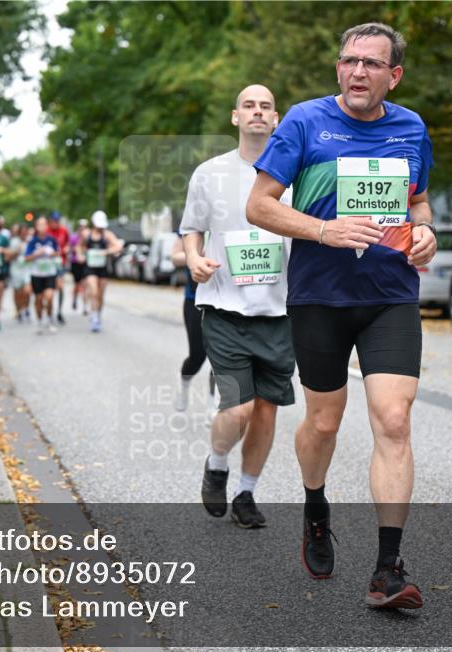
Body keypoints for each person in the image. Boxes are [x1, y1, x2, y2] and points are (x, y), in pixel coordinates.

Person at [246, 22, 437, 609]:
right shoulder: (305, 121)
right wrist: (323, 229)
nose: (359, 72)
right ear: (338, 69)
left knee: (394, 419)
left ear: (393, 75)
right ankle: (315, 503)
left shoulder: (411, 128)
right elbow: (259, 206)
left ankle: (388, 568)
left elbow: (419, 200)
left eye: (372, 64)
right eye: (350, 61)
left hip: (390, 294)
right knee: (324, 423)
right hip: (320, 297)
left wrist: (426, 230)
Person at [181, 84, 295, 531]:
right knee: (238, 407)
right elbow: (191, 228)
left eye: (265, 106)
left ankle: (246, 491)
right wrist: (193, 258)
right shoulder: (209, 173)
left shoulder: (295, 174)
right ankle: (216, 464)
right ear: (235, 117)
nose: (257, 112)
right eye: (249, 105)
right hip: (225, 308)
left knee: (267, 410)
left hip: (281, 312)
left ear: (276, 118)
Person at [171, 234, 219, 424]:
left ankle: (212, 406)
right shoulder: (192, 225)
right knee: (197, 356)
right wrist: (195, 256)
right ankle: (183, 383)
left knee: (219, 357)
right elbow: (175, 257)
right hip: (195, 300)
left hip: (223, 301)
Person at [81, 211, 124, 332]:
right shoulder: (87, 234)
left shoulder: (107, 235)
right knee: (93, 291)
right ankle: (94, 317)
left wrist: (106, 252)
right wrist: (81, 254)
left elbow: (118, 246)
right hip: (90, 267)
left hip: (103, 268)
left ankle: (98, 314)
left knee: (100, 294)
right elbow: (80, 246)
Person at [26, 215, 61, 334]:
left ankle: (50, 319)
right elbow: (27, 257)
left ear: (47, 226)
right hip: (36, 274)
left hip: (50, 273)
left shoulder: (52, 239)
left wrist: (53, 254)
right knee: (39, 299)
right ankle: (40, 321)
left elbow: (58, 252)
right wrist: (38, 253)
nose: (42, 227)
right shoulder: (33, 241)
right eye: (39, 224)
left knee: (50, 297)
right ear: (36, 227)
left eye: (44, 224)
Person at [47, 211, 70, 325]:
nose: (55, 223)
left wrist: (66, 248)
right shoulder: (46, 231)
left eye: (57, 220)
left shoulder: (63, 230)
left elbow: (68, 243)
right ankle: (48, 313)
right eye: (54, 220)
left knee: (60, 287)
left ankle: (59, 311)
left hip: (60, 263)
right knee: (49, 290)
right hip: (47, 264)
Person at [9, 224, 33, 322]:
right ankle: (19, 310)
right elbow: (9, 257)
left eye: (25, 231)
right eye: (22, 231)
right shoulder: (14, 241)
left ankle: (26, 308)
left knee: (27, 291)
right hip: (16, 269)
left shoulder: (30, 240)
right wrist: (17, 250)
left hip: (27, 269)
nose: (24, 233)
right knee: (18, 292)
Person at [70, 219, 90, 315]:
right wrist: (78, 251)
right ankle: (74, 298)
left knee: (85, 285)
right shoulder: (74, 237)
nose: (82, 228)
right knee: (77, 284)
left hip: (86, 263)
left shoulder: (88, 237)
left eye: (84, 227)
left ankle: (85, 306)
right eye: (81, 226)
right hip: (75, 263)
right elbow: (70, 248)